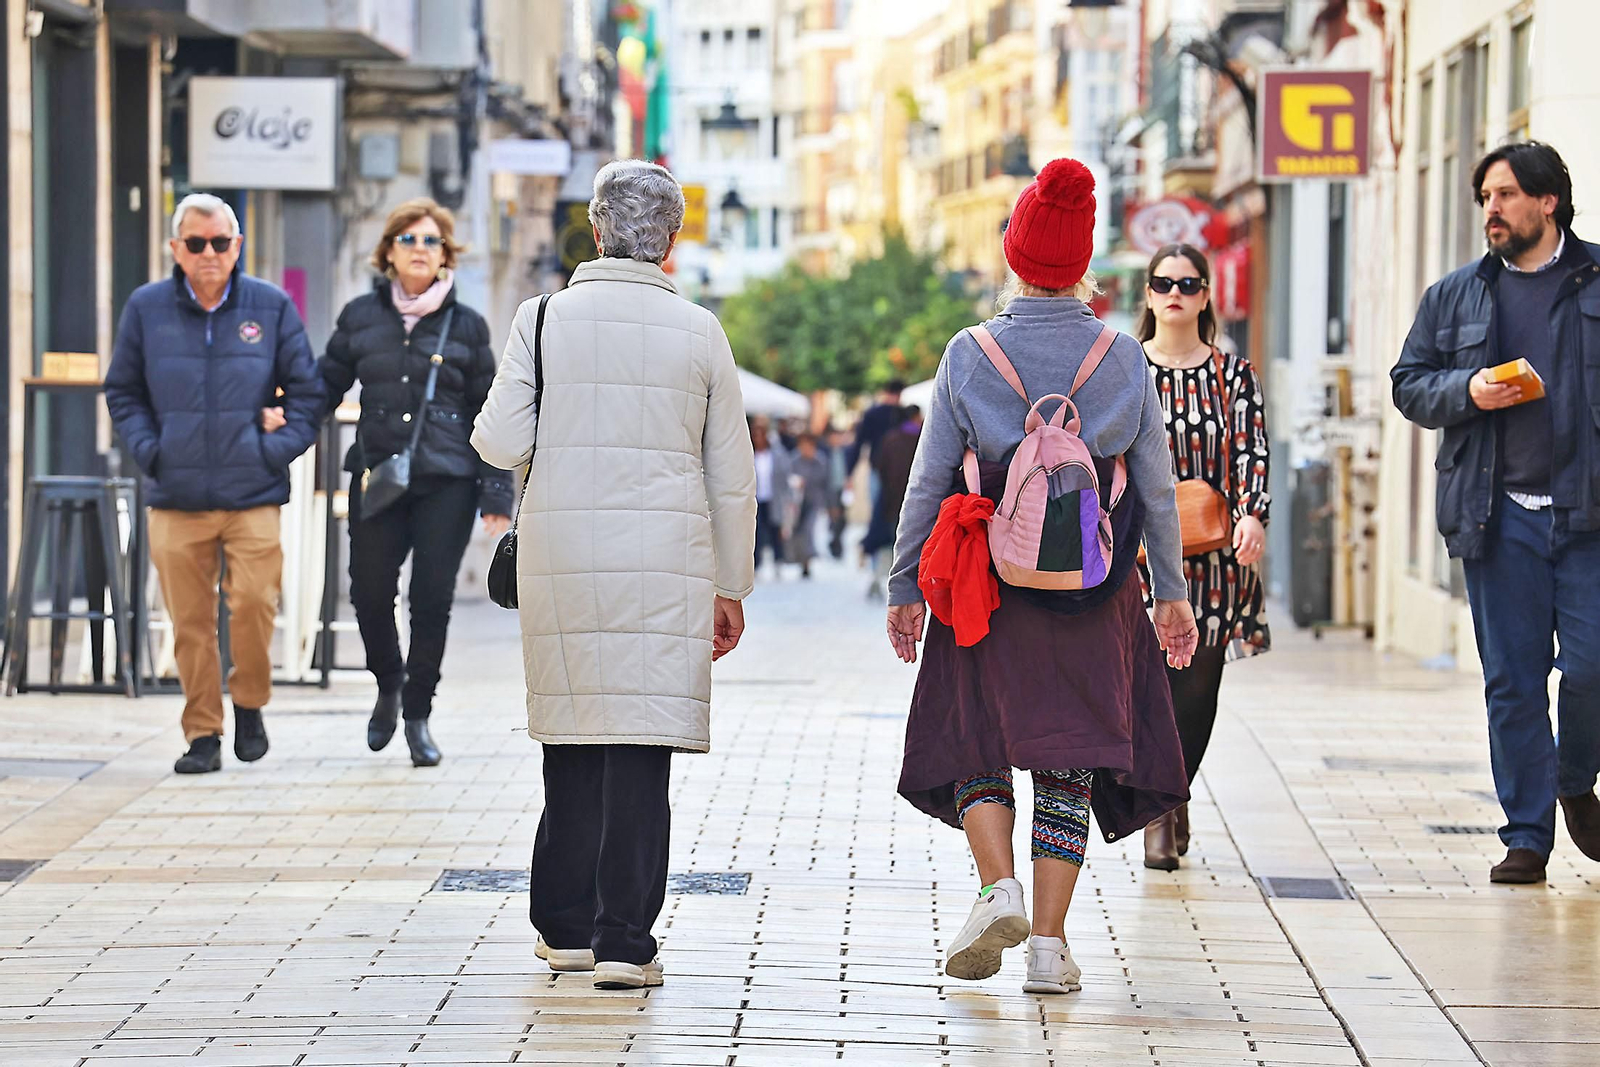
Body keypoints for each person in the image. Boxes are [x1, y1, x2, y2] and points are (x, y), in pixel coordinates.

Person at [885, 158, 1196, 995]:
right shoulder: (1123, 357)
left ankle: (999, 888)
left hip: (983, 586)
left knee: (977, 740)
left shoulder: (970, 352)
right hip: (1096, 594)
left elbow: (927, 478)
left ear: (1017, 257)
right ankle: (1050, 948)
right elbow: (1158, 491)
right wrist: (1170, 594)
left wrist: (905, 584)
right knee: (1070, 760)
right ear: (1082, 264)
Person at [471, 160, 757, 990]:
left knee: (571, 733)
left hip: (564, 552)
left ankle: (562, 927)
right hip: (667, 563)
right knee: (640, 745)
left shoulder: (544, 316)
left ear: (595, 231)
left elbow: (496, 440)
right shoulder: (700, 330)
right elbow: (730, 474)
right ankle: (625, 940)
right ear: (669, 240)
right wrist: (729, 585)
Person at [1392, 140, 1600, 885]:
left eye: (1506, 194)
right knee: (1512, 679)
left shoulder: (1597, 279)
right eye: (1486, 196)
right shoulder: (1457, 294)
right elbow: (1409, 383)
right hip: (1496, 514)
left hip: (1589, 519)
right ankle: (1526, 835)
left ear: (1549, 202)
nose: (1492, 209)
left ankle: (1574, 776)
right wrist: (1468, 392)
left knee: (1591, 666)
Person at [105, 193, 322, 774]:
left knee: (254, 603)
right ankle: (203, 732)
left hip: (251, 494)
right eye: (195, 243)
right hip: (176, 497)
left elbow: (308, 396)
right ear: (175, 249)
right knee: (190, 623)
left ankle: (249, 701)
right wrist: (153, 452)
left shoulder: (270, 308)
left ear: (237, 247)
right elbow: (122, 391)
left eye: (219, 243)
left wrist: (270, 451)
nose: (208, 253)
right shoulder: (146, 308)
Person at [319, 198, 512, 768]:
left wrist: (497, 492)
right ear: (388, 252)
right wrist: (282, 429)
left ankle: (418, 714)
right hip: (378, 473)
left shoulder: (467, 324)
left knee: (431, 601)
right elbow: (324, 384)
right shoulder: (360, 317)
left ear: (445, 254)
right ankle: (389, 683)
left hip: (447, 481)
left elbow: (490, 411)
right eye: (409, 240)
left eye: (431, 241)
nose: (420, 250)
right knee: (370, 591)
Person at [1134, 243, 1272, 871]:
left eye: (1188, 283)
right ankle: (1160, 811)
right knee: (1151, 687)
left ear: (1206, 295)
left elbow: (1250, 452)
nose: (1175, 294)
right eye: (1163, 283)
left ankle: (1173, 791)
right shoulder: (1126, 369)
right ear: (1147, 294)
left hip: (1214, 559)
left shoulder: (1232, 376)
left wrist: (1252, 514)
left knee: (1197, 691)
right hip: (1138, 555)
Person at [861, 405, 923, 596]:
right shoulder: (923, 439)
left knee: (891, 543)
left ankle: (882, 580)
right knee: (911, 546)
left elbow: (880, 468)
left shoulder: (890, 439)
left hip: (891, 501)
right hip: (918, 502)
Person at [751, 417, 794, 577]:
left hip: (773, 498)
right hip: (755, 499)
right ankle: (757, 564)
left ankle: (778, 561)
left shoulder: (776, 454)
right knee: (756, 532)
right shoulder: (749, 455)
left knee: (775, 530)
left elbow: (785, 476)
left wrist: (788, 498)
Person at [788, 433, 832, 579]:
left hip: (814, 502)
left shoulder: (820, 461)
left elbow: (826, 483)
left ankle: (807, 561)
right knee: (797, 533)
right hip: (797, 503)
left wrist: (828, 504)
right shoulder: (793, 460)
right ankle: (801, 560)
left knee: (808, 530)